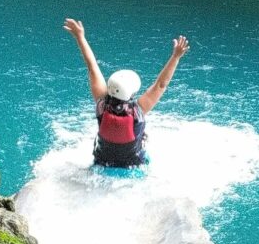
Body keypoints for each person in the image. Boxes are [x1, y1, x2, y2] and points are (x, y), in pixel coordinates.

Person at [63, 18, 190, 168]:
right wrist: (176, 56)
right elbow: (161, 84)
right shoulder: (138, 110)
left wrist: (80, 37)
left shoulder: (101, 105)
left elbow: (92, 67)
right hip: (133, 165)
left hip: (102, 162)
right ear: (131, 93)